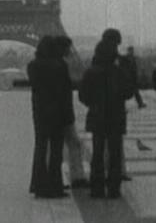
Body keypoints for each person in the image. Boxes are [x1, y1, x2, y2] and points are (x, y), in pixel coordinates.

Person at [79, 28, 130, 199]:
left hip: (97, 117)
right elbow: (128, 92)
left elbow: (83, 96)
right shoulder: (118, 72)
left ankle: (97, 188)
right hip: (116, 117)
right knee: (115, 153)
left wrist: (94, 104)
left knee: (98, 153)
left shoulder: (91, 72)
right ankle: (114, 188)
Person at [27, 36, 70, 198]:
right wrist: (68, 115)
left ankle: (38, 185)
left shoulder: (32, 66)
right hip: (57, 113)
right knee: (56, 152)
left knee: (40, 148)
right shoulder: (60, 66)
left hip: (40, 113)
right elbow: (65, 92)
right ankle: (55, 186)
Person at [53, 35, 88, 189]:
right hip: (63, 114)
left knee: (56, 147)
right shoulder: (60, 66)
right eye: (67, 48)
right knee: (73, 143)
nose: (69, 51)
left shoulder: (50, 64)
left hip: (53, 114)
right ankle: (77, 177)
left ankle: (55, 179)